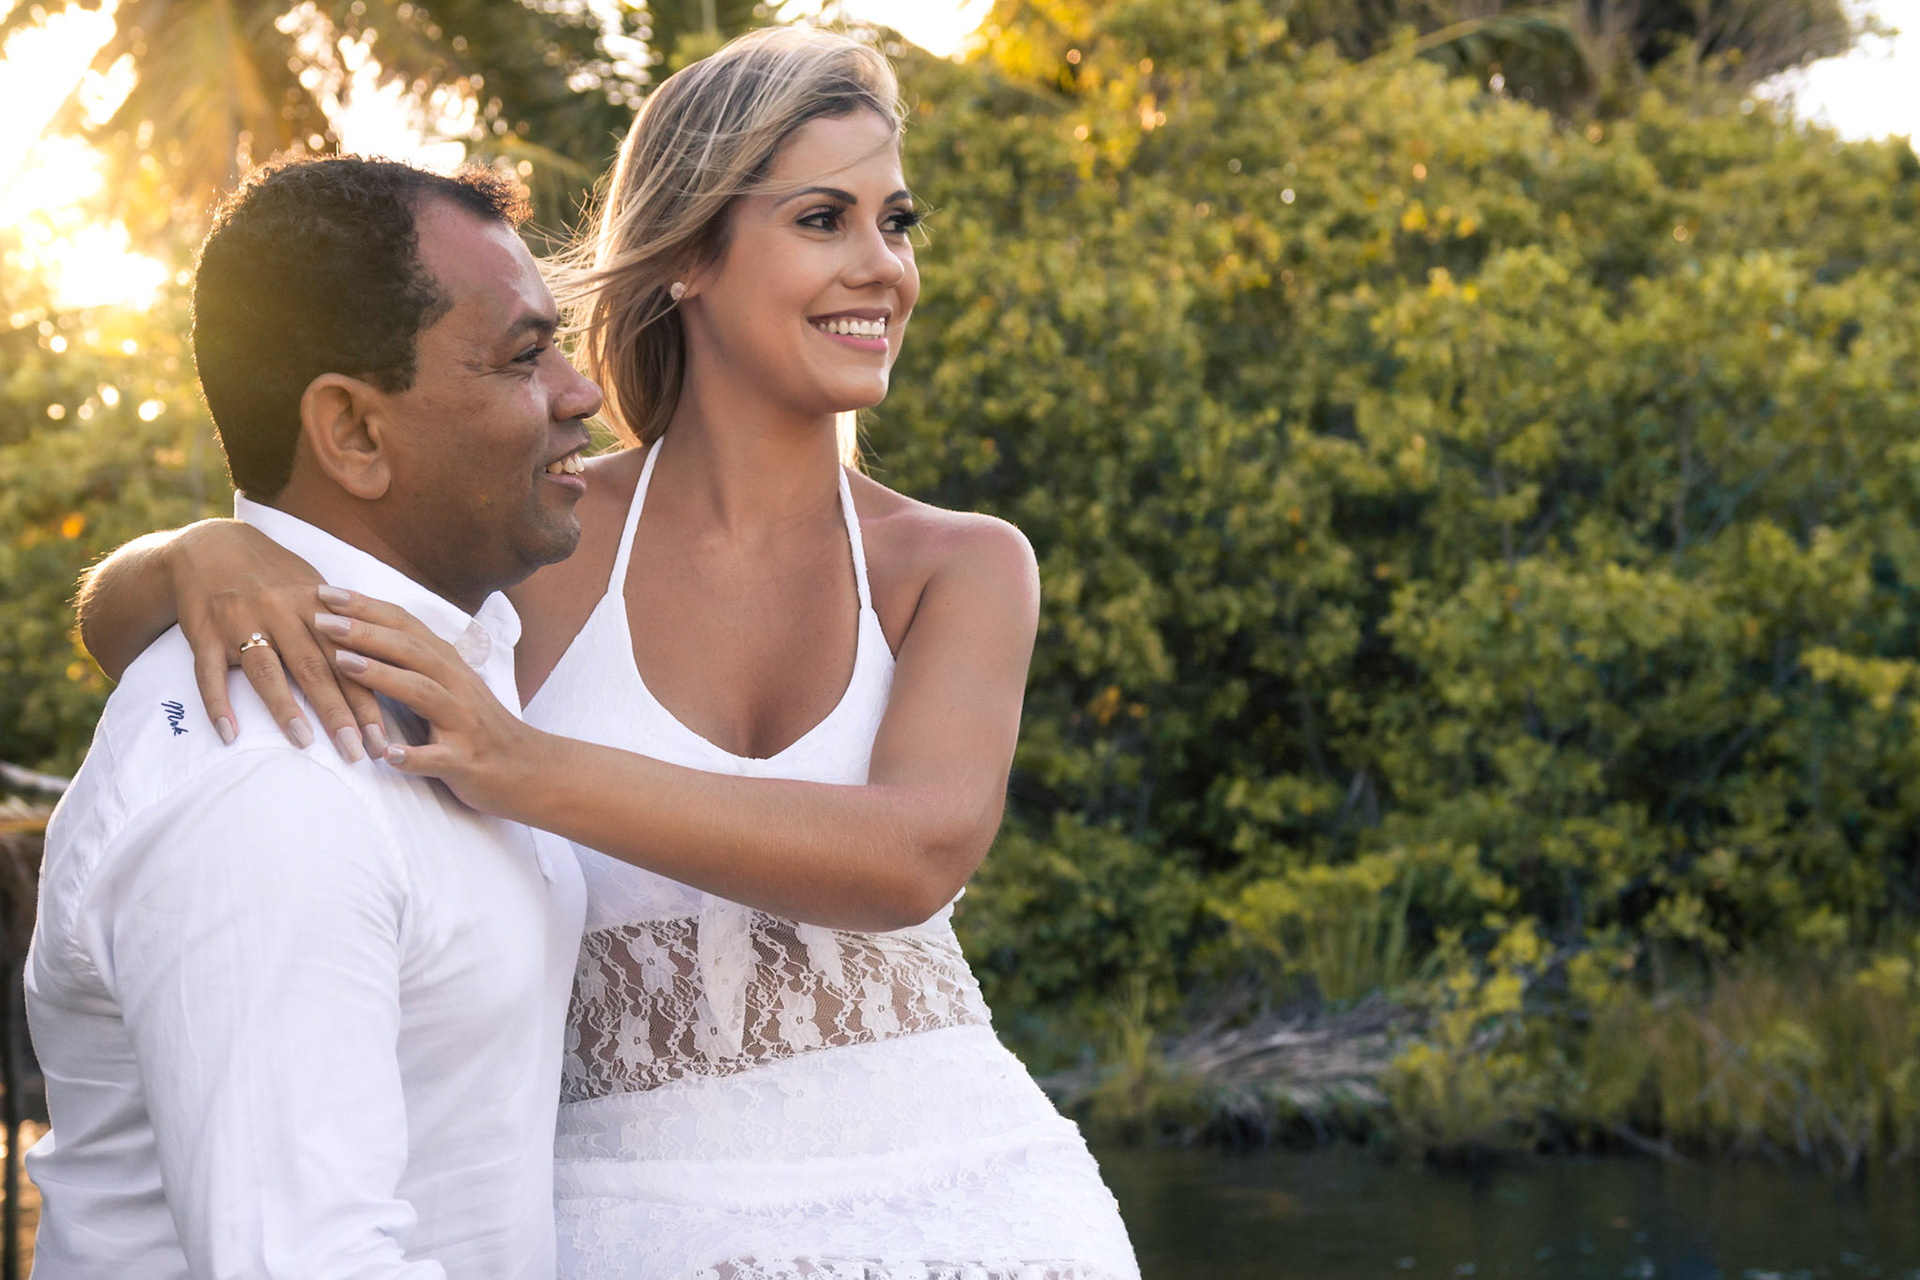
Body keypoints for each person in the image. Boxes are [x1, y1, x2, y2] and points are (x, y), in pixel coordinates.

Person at [77, 25, 1140, 1280]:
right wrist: (190, 550)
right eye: (823, 220)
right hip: (630, 1215)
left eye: (894, 222)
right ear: (687, 255)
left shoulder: (963, 564)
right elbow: (253, 591)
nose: (884, 268)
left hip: (978, 1197)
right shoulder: (533, 535)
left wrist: (524, 763)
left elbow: (914, 854)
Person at [28, 157, 603, 1277]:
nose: (579, 393)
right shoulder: (271, 774)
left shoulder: (456, 661)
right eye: (526, 356)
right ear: (353, 432)